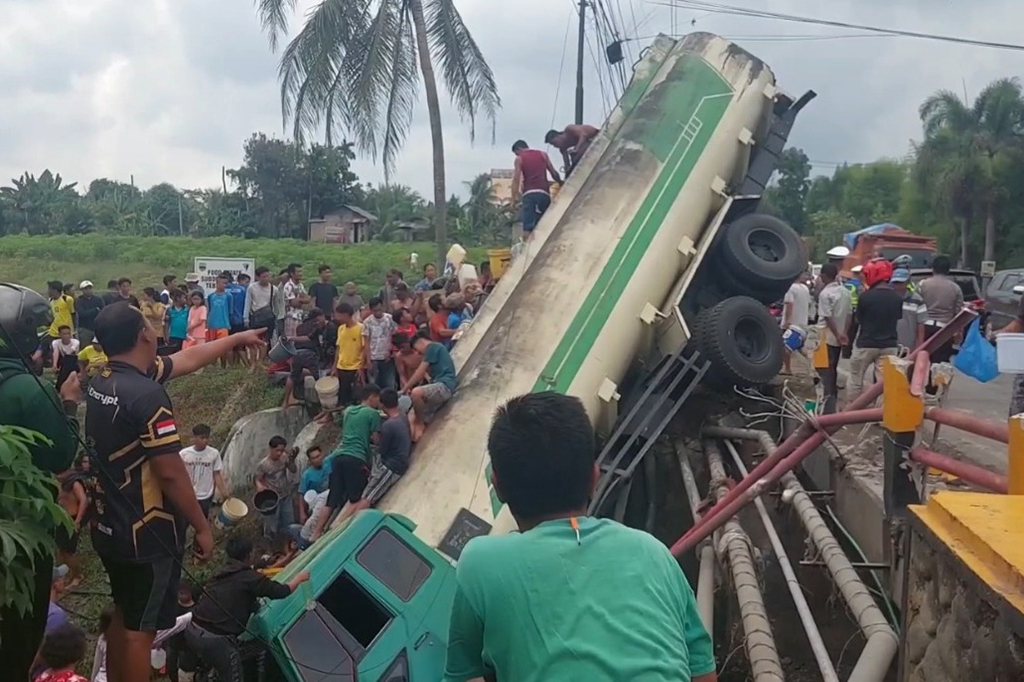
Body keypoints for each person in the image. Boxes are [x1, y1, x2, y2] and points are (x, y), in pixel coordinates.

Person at [443, 392, 716, 681]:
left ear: (498, 487)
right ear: (595, 477)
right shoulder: (654, 553)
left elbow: (464, 675)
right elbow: (703, 674)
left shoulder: (480, 565)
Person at [85, 302, 265, 682]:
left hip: (109, 526)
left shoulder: (104, 380)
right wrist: (202, 526)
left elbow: (186, 360)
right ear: (143, 335)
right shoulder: (147, 396)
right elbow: (170, 474)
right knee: (142, 633)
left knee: (124, 612)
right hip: (146, 535)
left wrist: (234, 339)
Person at [0, 283, 81, 682]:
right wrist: (68, 403)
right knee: (17, 635)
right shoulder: (30, 391)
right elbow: (60, 456)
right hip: (20, 534)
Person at [184, 535, 310, 682]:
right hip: (215, 640)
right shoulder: (249, 578)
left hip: (192, 630)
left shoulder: (222, 574)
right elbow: (282, 591)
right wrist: (300, 578)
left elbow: (236, 598)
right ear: (249, 554)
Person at [314, 384, 382, 538]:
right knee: (355, 498)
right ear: (372, 397)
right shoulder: (373, 414)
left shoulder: (349, 411)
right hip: (355, 458)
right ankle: (337, 532)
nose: (379, 402)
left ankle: (316, 533)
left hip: (339, 457)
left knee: (332, 499)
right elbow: (376, 440)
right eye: (378, 398)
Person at [92, 602, 192, 682]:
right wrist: (191, 616)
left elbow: (97, 664)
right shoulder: (137, 638)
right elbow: (170, 628)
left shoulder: (103, 638)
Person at [848, 259, 902, 400]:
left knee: (855, 380)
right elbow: (897, 318)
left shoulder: (866, 297)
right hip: (889, 345)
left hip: (866, 344)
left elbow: (858, 320)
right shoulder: (897, 297)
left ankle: (852, 408)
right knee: (883, 384)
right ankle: (880, 411)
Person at [363, 388, 412, 507]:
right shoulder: (402, 416)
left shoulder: (388, 426)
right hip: (400, 460)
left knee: (366, 499)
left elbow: (382, 450)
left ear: (382, 404)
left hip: (392, 466)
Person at [403, 333, 457, 441]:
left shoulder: (433, 347)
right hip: (437, 385)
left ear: (421, 342)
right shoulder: (435, 351)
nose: (418, 353)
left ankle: (420, 422)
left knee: (416, 393)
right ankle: (415, 438)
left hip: (444, 385)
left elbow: (419, 372)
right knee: (410, 416)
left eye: (417, 349)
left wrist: (404, 389)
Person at [816, 263, 853, 414]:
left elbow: (827, 316)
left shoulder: (825, 294)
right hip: (839, 337)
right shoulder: (846, 292)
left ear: (824, 276)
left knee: (824, 370)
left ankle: (827, 402)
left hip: (825, 336)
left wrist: (837, 334)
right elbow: (849, 314)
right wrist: (844, 333)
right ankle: (833, 398)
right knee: (833, 368)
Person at [918, 255, 964, 364]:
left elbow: (916, 307)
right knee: (941, 363)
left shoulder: (923, 284)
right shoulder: (955, 288)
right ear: (948, 270)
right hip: (945, 330)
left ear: (933, 269)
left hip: (925, 327)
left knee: (922, 361)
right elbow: (958, 313)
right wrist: (958, 333)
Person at [511, 139, 562, 237]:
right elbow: (553, 172)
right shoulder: (543, 154)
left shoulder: (519, 159)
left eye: (516, 153)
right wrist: (560, 183)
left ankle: (527, 244)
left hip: (529, 195)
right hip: (544, 194)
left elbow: (516, 179)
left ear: (519, 149)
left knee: (527, 229)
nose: (517, 155)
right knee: (547, 224)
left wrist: (513, 200)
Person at [179, 424, 229, 520]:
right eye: (202, 438)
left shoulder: (213, 454)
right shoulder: (184, 454)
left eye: (207, 438)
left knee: (202, 519)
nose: (205, 440)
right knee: (185, 519)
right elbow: (179, 474)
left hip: (205, 495)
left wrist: (224, 492)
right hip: (189, 493)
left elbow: (217, 474)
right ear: (195, 438)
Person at [255, 436, 299, 541]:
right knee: (272, 524)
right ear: (271, 448)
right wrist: (259, 486)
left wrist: (291, 460)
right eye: (277, 450)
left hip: (285, 494)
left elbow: (293, 470)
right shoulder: (264, 464)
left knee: (289, 521)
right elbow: (257, 479)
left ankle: (290, 540)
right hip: (273, 499)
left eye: (282, 450)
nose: (279, 453)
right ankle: (271, 541)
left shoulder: (284, 458)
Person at [285, 308, 328, 408]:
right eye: (315, 321)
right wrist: (291, 338)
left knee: (293, 376)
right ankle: (324, 406)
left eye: (317, 320)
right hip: (312, 356)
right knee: (320, 378)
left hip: (304, 354)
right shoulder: (317, 328)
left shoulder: (330, 328)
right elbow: (309, 338)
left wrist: (291, 338)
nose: (316, 323)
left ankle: (286, 401)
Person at [55, 471, 88, 588]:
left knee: (69, 551)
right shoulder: (59, 483)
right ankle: (62, 576)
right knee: (60, 550)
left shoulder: (74, 483)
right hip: (60, 519)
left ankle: (77, 576)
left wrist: (77, 521)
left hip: (71, 519)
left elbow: (83, 500)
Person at [332, 302, 365, 407]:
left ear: (346, 314)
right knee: (343, 396)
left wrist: (361, 367)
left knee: (355, 396)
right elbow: (338, 348)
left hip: (355, 368)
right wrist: (334, 367)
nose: (337, 318)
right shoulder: (341, 329)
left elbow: (364, 349)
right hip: (341, 367)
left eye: (339, 315)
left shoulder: (361, 328)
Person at [363, 296, 398, 390]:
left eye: (379, 310)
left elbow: (395, 336)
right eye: (375, 311)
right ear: (371, 310)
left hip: (387, 357)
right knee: (374, 385)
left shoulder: (390, 319)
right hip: (374, 358)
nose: (378, 312)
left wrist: (392, 351)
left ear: (383, 307)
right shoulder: (367, 322)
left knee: (390, 383)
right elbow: (366, 342)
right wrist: (368, 360)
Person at [892, 268, 928, 353]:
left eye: (900, 283)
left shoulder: (917, 300)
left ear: (907, 282)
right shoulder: (888, 298)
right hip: (890, 347)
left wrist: (919, 346)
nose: (897, 286)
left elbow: (921, 325)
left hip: (909, 348)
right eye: (895, 283)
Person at [245, 266, 278, 359]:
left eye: (268, 276)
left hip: (268, 318)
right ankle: (253, 361)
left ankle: (261, 361)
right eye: (264, 277)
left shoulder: (274, 289)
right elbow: (248, 303)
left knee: (265, 341)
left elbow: (275, 305)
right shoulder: (252, 287)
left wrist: (276, 317)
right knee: (253, 341)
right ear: (257, 277)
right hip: (255, 317)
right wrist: (245, 318)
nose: (266, 279)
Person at [781, 275, 811, 375]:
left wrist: (786, 321)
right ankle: (812, 370)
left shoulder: (791, 288)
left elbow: (789, 305)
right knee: (801, 350)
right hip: (803, 324)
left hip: (793, 324)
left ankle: (787, 369)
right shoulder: (805, 288)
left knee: (785, 347)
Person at [298, 446, 332, 521]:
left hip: (334, 496)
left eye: (318, 456)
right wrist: (302, 513)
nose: (317, 460)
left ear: (322, 455)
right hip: (318, 504)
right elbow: (301, 494)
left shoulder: (330, 461)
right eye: (314, 458)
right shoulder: (307, 475)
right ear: (310, 461)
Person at [206, 274, 233, 354]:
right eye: (223, 283)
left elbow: (230, 311)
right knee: (212, 348)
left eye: (226, 283)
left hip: (224, 325)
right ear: (217, 283)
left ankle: (224, 362)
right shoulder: (211, 296)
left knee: (224, 347)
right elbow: (210, 309)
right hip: (212, 325)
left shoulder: (229, 296)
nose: (225, 285)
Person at [282, 263, 310, 339]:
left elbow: (308, 299)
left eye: (301, 271)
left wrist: (300, 300)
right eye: (298, 272)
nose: (301, 274)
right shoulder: (288, 286)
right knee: (291, 339)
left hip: (300, 316)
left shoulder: (300, 285)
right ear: (292, 273)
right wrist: (302, 300)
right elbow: (294, 303)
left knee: (299, 339)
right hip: (291, 317)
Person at [51, 325, 81, 390]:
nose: (67, 336)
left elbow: (69, 352)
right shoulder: (56, 342)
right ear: (59, 335)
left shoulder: (76, 342)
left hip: (74, 362)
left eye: (68, 333)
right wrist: (54, 365)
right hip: (63, 361)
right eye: (64, 334)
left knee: (68, 359)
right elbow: (56, 352)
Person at [75, 280, 104, 346]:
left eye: (89, 288)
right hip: (85, 329)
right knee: (85, 347)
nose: (88, 290)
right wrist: (95, 310)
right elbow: (82, 313)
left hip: (97, 328)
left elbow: (103, 311)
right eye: (86, 289)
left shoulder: (98, 299)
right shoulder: (79, 300)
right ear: (82, 290)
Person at [164, 290, 190, 354]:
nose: (185, 300)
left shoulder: (187, 310)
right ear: (178, 298)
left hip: (184, 336)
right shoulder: (169, 310)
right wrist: (166, 335)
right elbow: (167, 323)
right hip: (173, 336)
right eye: (184, 298)